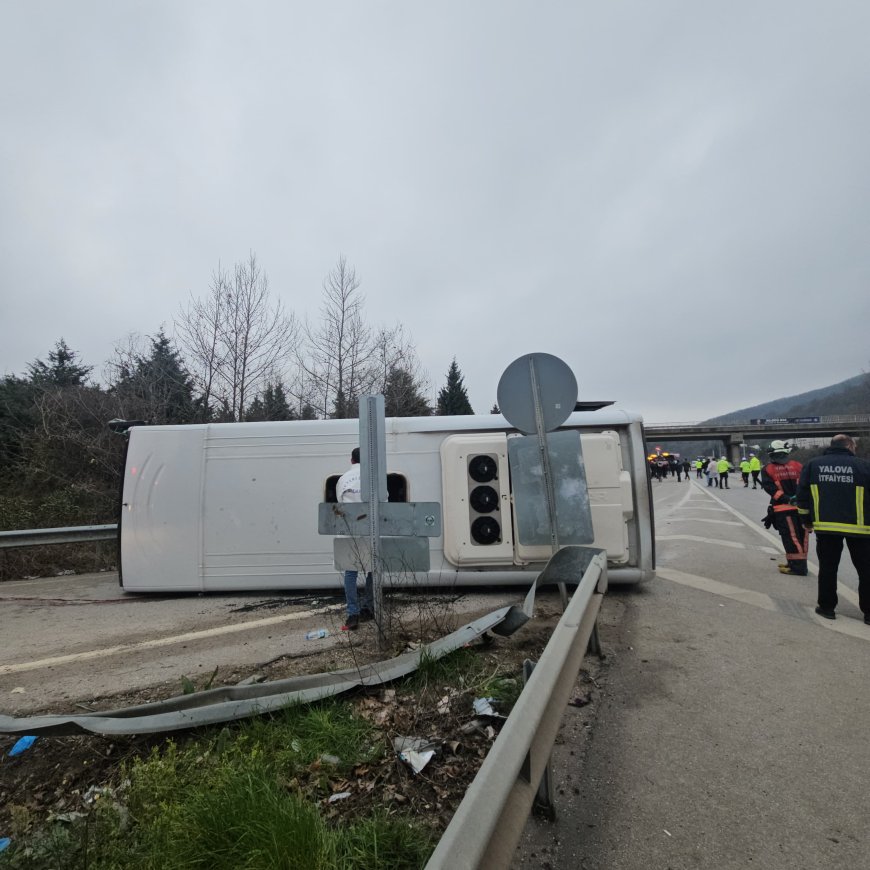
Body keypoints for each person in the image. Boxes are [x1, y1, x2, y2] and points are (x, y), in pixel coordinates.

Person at [795, 434, 870, 623]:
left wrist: (806, 520)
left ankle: (827, 608)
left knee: (828, 568)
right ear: (850, 446)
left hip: (826, 528)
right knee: (866, 570)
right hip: (861, 528)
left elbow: (802, 495)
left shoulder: (813, 465)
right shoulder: (864, 466)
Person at [335, 447, 374, 630]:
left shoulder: (343, 480)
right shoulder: (375, 478)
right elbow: (386, 504)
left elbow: (340, 506)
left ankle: (352, 615)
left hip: (350, 531)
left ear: (352, 460)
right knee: (373, 569)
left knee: (350, 573)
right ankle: (368, 609)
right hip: (371, 530)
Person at [760, 440, 808, 576]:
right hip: (801, 509)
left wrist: (787, 499)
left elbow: (770, 489)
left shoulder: (768, 469)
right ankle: (794, 563)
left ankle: (798, 568)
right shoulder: (798, 466)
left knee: (791, 538)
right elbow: (806, 485)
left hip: (783, 509)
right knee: (800, 536)